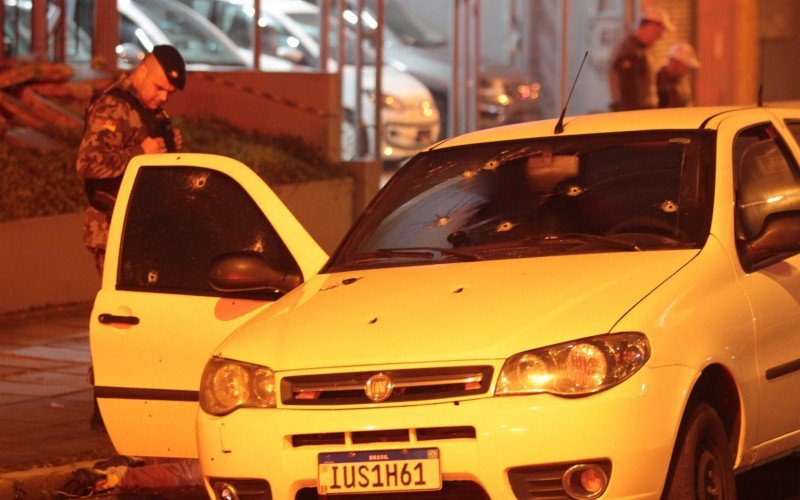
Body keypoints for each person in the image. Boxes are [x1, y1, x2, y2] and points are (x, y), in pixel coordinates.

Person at [71, 45, 202, 496]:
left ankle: (134, 408)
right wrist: (137, 153)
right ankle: (104, 406)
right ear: (143, 70)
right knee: (120, 319)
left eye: (169, 91)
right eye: (160, 86)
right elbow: (88, 164)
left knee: (145, 323)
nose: (163, 96)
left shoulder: (151, 114)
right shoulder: (112, 106)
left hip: (143, 236)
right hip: (112, 233)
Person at [608, 5, 675, 111]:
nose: (661, 37)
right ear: (652, 26)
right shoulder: (630, 51)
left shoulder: (639, 50)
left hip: (642, 116)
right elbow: (629, 93)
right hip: (636, 118)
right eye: (661, 31)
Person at [657, 41, 701, 108]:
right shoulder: (657, 80)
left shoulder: (681, 80)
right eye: (686, 66)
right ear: (675, 62)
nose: (687, 71)